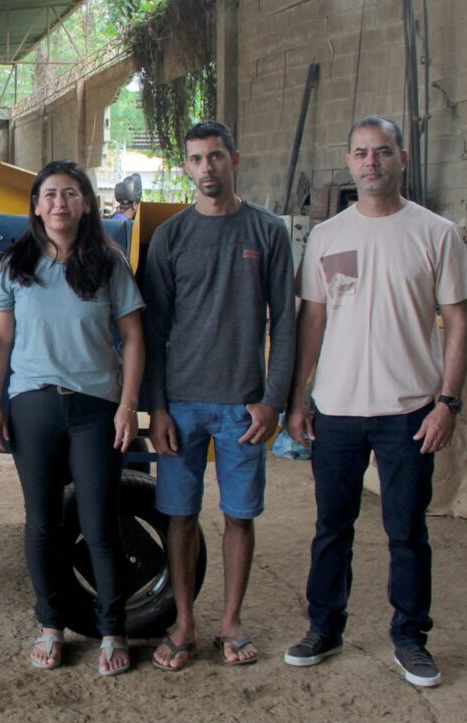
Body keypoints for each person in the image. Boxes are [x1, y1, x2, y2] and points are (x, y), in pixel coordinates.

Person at [283, 115, 467, 688]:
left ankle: (410, 637)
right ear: (349, 163)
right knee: (331, 526)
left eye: (383, 152)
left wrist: (448, 402)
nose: (372, 162)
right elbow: (311, 320)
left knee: (406, 530)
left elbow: (458, 324)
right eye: (362, 153)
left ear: (402, 159)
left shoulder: (435, 233)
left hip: (410, 411)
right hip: (337, 410)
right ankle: (325, 627)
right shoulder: (328, 236)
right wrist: (300, 398)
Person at [141, 120, 295, 671]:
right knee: (179, 516)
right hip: (180, 406)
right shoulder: (171, 237)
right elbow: (151, 330)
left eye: (216, 157)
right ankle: (184, 623)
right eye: (197, 159)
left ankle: (231, 621)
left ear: (235, 159)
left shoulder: (268, 231)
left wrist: (272, 399)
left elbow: (286, 322)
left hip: (243, 407)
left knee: (238, 515)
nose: (207, 168)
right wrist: (155, 406)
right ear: (186, 167)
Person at [0, 159, 145, 675]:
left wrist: (128, 405)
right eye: (50, 194)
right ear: (36, 205)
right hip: (33, 404)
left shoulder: (109, 262)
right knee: (43, 524)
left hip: (95, 407)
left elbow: (134, 338)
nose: (59, 203)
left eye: (70, 194)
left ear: (86, 204)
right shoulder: (16, 264)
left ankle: (112, 629)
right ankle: (51, 625)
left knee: (100, 523)